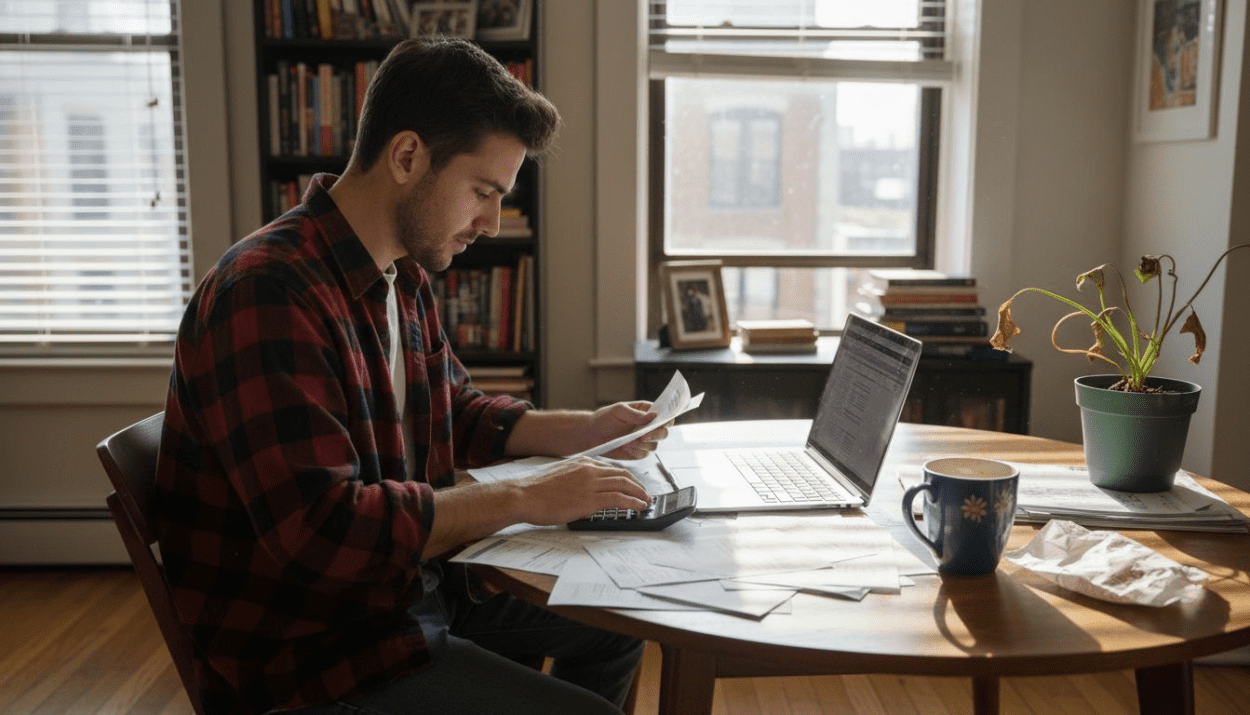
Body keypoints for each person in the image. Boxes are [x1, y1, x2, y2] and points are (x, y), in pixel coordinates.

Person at [155, 38, 666, 715]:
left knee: (615, 625)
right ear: (405, 157)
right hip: (316, 655)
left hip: (403, 597)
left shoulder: (401, 274)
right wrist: (525, 497)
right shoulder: (269, 292)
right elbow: (323, 530)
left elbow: (453, 410)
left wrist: (584, 430)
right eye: (483, 191)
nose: (491, 222)